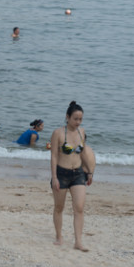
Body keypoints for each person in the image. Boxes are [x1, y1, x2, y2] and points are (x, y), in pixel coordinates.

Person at [50, 101, 92, 252]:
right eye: (75, 119)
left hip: (78, 174)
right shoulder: (58, 133)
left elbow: (84, 153)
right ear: (67, 117)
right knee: (59, 207)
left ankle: (78, 242)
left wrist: (89, 171)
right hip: (61, 174)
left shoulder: (82, 132)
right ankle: (58, 236)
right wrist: (54, 177)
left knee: (79, 208)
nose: (78, 122)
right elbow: (54, 156)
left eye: (80, 119)